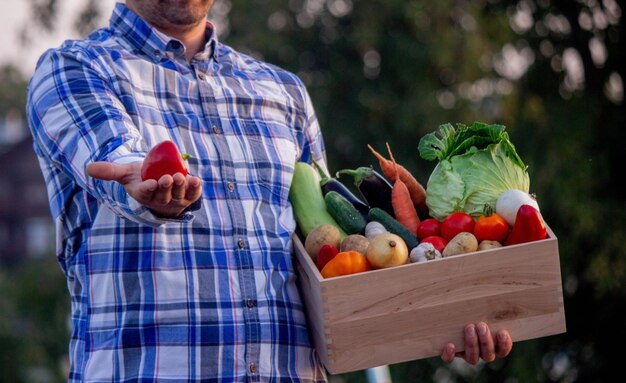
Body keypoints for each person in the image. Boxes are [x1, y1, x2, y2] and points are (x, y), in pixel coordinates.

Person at [26, 0, 512, 381]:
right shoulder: (76, 70)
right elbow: (118, 156)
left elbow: (331, 264)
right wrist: (145, 179)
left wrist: (441, 316)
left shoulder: (283, 93)